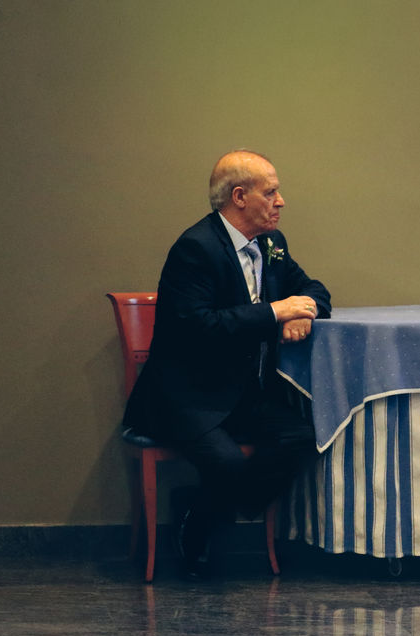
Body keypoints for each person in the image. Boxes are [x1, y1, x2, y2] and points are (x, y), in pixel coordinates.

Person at [123, 150, 331, 576]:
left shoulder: (272, 243)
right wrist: (276, 312)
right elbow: (199, 326)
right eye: (271, 191)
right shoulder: (195, 249)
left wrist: (302, 311)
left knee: (303, 436)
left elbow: (312, 288)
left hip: (243, 394)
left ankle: (199, 506)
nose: (281, 201)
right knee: (229, 464)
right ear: (239, 196)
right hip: (186, 397)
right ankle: (196, 528)